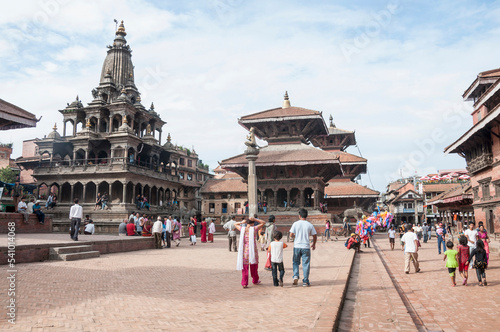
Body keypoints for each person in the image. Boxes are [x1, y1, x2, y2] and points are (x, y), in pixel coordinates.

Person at [235, 216, 266, 288]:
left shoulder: (243, 229)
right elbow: (263, 222)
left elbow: (235, 224)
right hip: (253, 250)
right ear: (253, 223)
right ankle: (255, 280)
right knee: (254, 266)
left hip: (245, 250)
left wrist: (241, 222)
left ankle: (244, 283)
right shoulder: (254, 228)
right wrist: (255, 219)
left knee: (245, 267)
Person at [290, 208, 317, 287]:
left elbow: (291, 234)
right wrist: (314, 244)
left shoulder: (295, 224)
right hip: (306, 246)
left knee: (295, 262)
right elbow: (314, 235)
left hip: (297, 246)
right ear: (307, 216)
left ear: (299, 216)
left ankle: (295, 275)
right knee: (306, 264)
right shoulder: (309, 225)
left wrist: (296, 237)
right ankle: (305, 281)